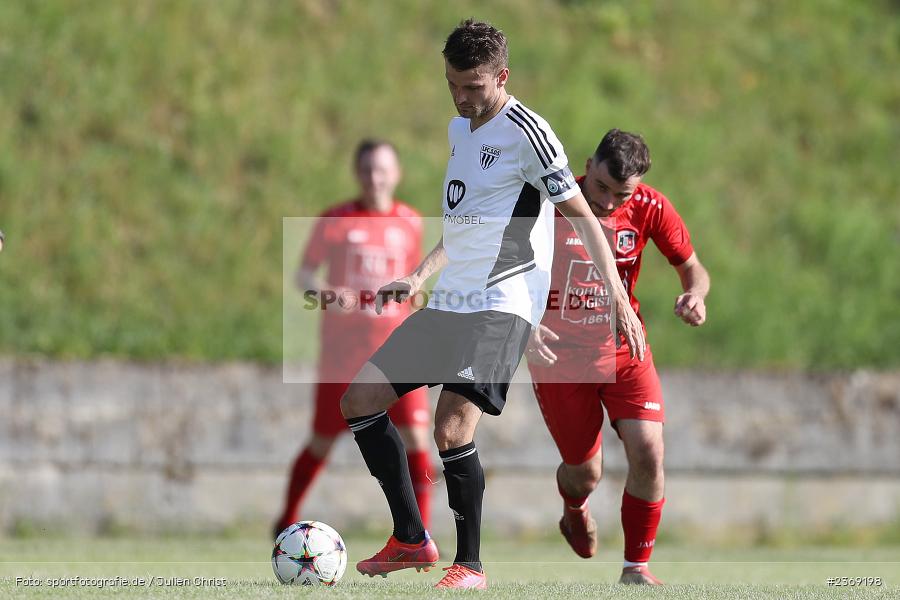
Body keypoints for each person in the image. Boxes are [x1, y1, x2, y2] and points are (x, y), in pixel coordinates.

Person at [339, 21, 646, 590]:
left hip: (504, 303)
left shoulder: (529, 133)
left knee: (451, 428)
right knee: (359, 399)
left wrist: (618, 301)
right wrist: (418, 275)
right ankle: (410, 539)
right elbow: (464, 227)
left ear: (501, 76)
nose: (461, 97)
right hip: (454, 298)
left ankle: (471, 566)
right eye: (452, 84)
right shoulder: (461, 130)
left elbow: (584, 218)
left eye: (473, 86)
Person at [526, 129, 710, 585]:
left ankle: (636, 568)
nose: (607, 202)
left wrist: (695, 294)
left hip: (625, 348)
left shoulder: (650, 207)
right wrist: (524, 324)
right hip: (559, 357)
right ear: (588, 166)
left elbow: (693, 268)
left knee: (649, 451)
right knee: (585, 473)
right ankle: (575, 507)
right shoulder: (549, 202)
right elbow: (504, 268)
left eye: (620, 194)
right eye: (601, 187)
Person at [274, 139, 434, 537]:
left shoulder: (410, 222)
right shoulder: (336, 220)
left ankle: (420, 534)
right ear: (357, 174)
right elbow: (303, 275)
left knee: (418, 439)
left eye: (382, 170)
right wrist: (328, 293)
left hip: (398, 353)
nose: (374, 178)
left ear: (396, 174)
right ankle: (285, 520)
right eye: (367, 170)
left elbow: (414, 284)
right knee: (321, 442)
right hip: (344, 355)